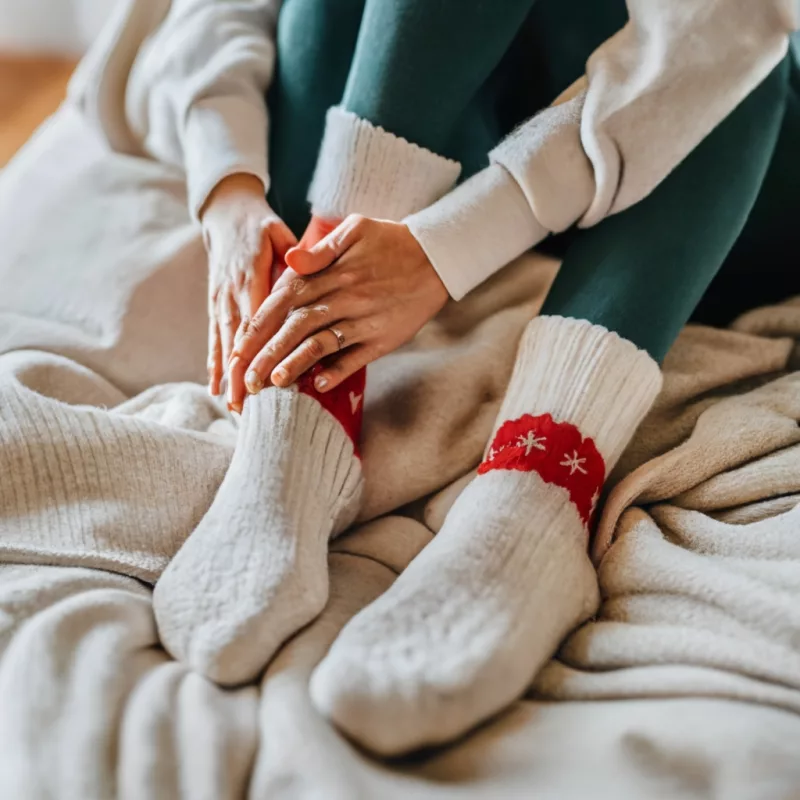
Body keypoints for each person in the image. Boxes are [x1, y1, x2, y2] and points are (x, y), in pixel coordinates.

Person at [139, 0, 799, 755]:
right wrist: (228, 193)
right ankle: (306, 404)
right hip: (485, 105)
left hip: (731, 162)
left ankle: (537, 488)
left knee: (747, 49)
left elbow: (731, 30)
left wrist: (447, 251)